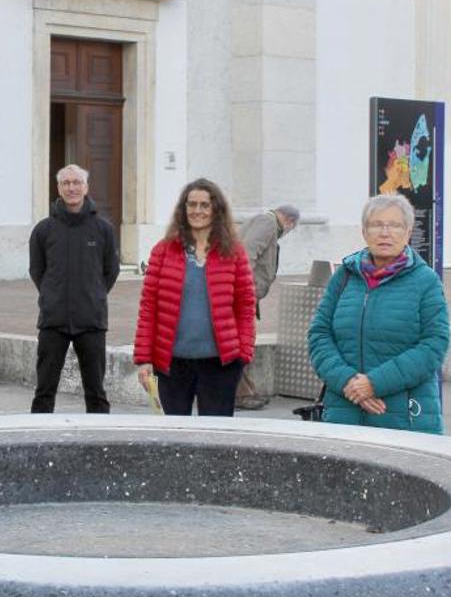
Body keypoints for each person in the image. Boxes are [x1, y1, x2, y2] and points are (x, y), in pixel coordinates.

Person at [307, 193, 450, 432]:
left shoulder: (426, 281)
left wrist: (374, 384)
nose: (385, 232)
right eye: (376, 225)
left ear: (408, 232)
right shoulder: (344, 277)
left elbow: (434, 344)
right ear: (364, 232)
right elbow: (319, 335)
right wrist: (349, 382)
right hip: (344, 412)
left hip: (405, 418)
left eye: (394, 225)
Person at [133, 178, 255, 416]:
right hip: (171, 364)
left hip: (220, 365)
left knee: (215, 440)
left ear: (216, 210)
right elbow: (149, 308)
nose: (197, 211)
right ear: (183, 208)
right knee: (175, 438)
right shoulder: (163, 250)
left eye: (204, 205)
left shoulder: (234, 252)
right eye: (192, 204)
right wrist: (144, 358)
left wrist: (243, 353)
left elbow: (245, 306)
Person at [28, 164, 120, 413]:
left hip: (91, 320)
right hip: (53, 320)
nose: (71, 188)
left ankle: (100, 443)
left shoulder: (103, 229)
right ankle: (39, 441)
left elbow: (110, 271)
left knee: (96, 392)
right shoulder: (43, 230)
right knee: (44, 391)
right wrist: (52, 295)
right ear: (58, 188)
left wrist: (93, 294)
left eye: (76, 182)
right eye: (66, 183)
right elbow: (37, 271)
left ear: (86, 187)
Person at [235, 204, 300, 409]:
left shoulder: (265, 222)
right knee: (239, 343)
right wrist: (244, 288)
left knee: (240, 343)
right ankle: (240, 393)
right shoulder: (268, 222)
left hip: (243, 294)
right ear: (290, 221)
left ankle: (244, 391)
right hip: (241, 294)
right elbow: (247, 253)